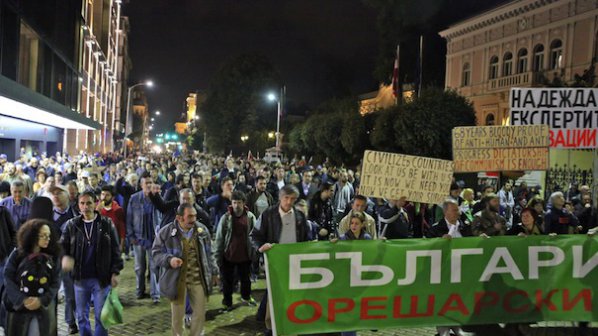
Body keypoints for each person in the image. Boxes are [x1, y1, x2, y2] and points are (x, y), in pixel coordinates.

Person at [250, 185, 311, 335]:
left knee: (293, 296)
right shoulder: (268, 215)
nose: (289, 202)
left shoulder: (299, 216)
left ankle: (291, 324)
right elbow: (254, 236)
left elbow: (306, 239)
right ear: (280, 197)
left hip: (295, 263)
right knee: (274, 296)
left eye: (292, 199)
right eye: (286, 198)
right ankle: (271, 328)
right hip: (275, 263)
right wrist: (261, 247)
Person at [61, 191, 123, 336]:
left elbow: (115, 250)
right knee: (82, 317)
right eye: (82, 203)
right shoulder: (72, 225)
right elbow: (62, 246)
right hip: (80, 278)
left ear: (95, 204)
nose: (85, 206)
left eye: (89, 203)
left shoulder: (106, 224)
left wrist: (115, 271)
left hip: (101, 278)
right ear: (78, 206)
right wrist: (64, 257)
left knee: (102, 316)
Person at [152, 203, 219, 336]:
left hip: (198, 279)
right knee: (177, 319)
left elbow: (210, 253)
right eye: (190, 216)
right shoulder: (166, 232)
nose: (193, 219)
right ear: (179, 218)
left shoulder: (202, 231)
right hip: (177, 281)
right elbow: (155, 253)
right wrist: (169, 260)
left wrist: (215, 272)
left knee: (199, 314)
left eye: (195, 216)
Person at [3, 219, 61, 336]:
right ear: (32, 236)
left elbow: (56, 281)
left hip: (43, 309)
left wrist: (42, 300)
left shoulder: (53, 256)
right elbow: (8, 277)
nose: (47, 239)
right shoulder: (17, 254)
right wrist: (21, 299)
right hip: (19, 309)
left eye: (48, 235)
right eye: (43, 235)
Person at [427, 199, 470, 336]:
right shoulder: (435, 229)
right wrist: (440, 242)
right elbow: (427, 249)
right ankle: (443, 329)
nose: (458, 213)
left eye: (458, 210)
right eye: (454, 210)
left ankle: (457, 327)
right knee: (444, 302)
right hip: (444, 275)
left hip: (462, 274)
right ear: (445, 212)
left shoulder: (465, 227)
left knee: (459, 302)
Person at [214, 191, 257, 311]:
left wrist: (255, 254)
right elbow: (219, 238)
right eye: (234, 202)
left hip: (245, 256)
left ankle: (246, 296)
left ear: (244, 203)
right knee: (227, 282)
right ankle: (227, 302)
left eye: (239, 202)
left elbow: (256, 235)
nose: (236, 205)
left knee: (246, 279)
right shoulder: (226, 218)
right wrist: (217, 257)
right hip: (229, 256)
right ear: (231, 203)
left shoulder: (250, 217)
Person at [49, 184, 79, 334]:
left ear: (67, 195)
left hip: (70, 260)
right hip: (51, 261)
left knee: (70, 294)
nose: (56, 196)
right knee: (51, 295)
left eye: (59, 193)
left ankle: (71, 322)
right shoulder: (47, 215)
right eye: (53, 194)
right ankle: (51, 325)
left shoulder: (75, 213)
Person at [127, 174, 162, 303]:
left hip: (154, 239)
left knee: (154, 267)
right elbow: (129, 218)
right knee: (139, 268)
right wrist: (131, 236)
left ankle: (155, 294)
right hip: (139, 238)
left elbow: (163, 217)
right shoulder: (134, 198)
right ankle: (139, 290)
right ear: (141, 185)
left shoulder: (157, 198)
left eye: (151, 182)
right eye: (146, 183)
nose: (148, 185)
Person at [97, 185, 126, 257]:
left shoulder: (118, 210)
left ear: (112, 197)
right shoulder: (96, 208)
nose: (104, 197)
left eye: (107, 195)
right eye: (103, 194)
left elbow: (122, 228)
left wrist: (121, 245)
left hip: (113, 242)